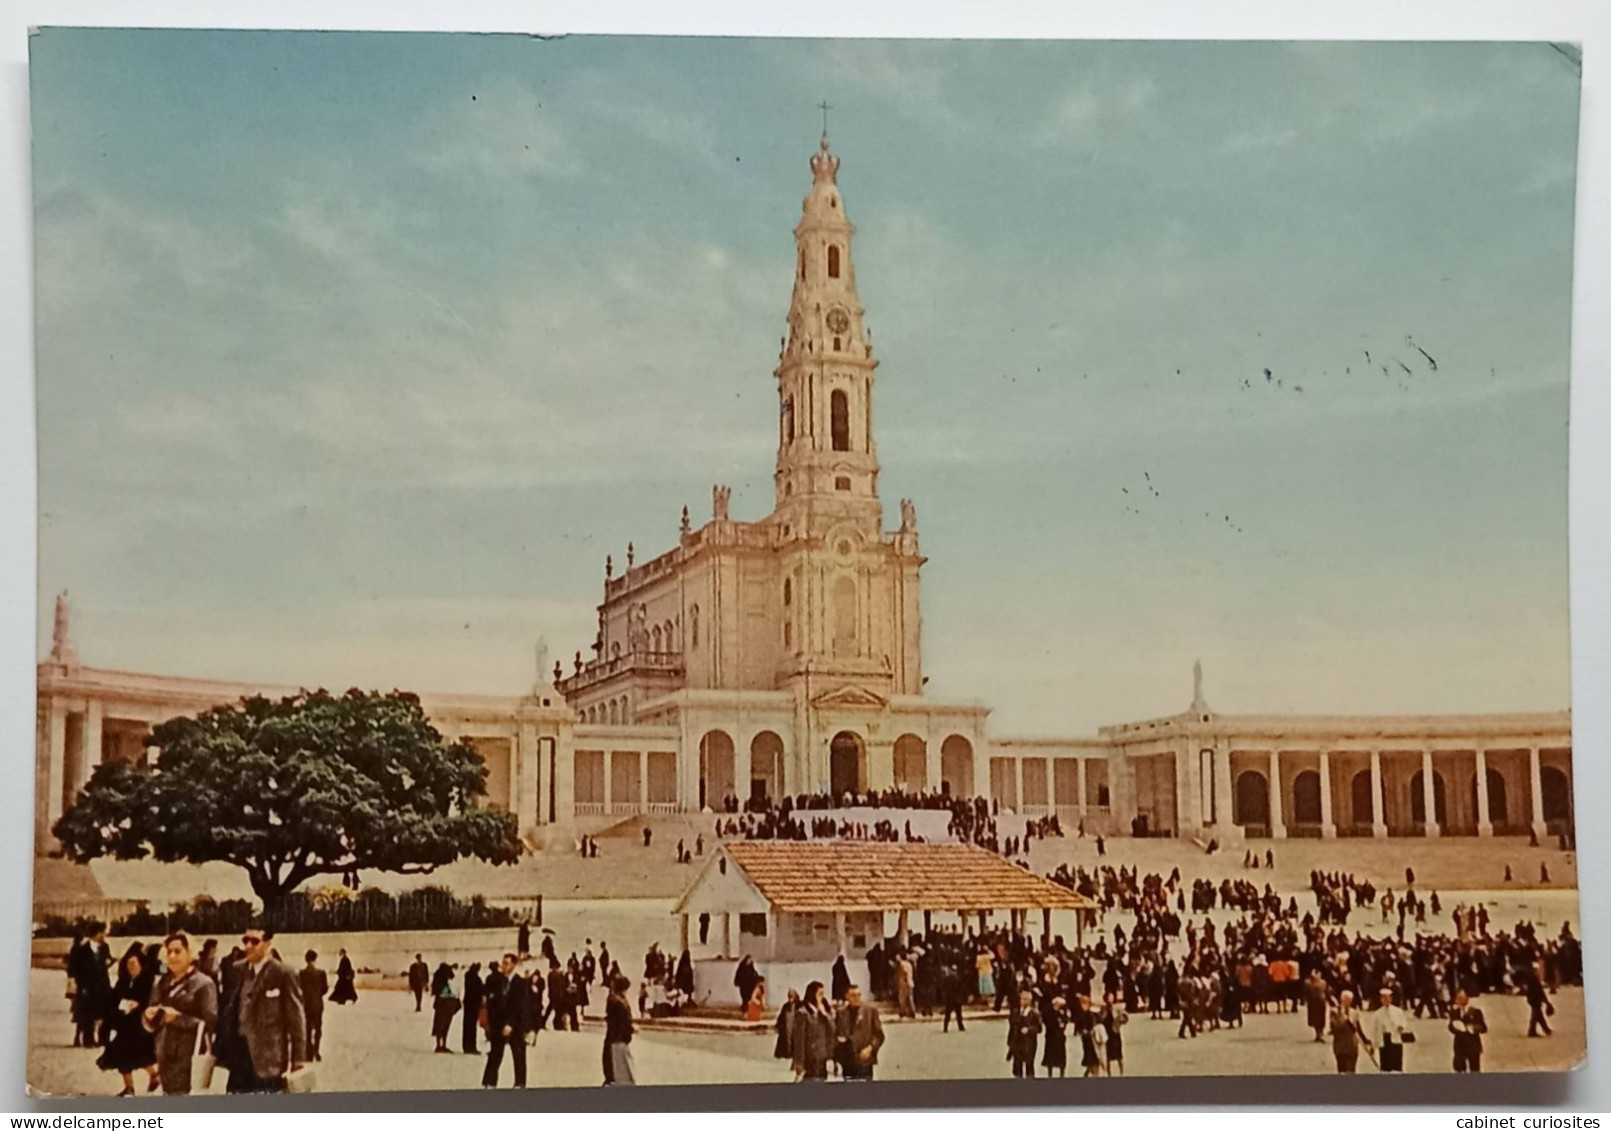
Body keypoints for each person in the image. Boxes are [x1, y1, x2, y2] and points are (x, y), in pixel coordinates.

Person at [231, 926, 308, 1093]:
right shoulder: (237, 970)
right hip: (240, 1055)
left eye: (255, 941)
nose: (248, 946)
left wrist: (298, 1059)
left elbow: (296, 1019)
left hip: (268, 1058)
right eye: (245, 941)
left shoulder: (283, 973)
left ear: (268, 944)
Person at [143, 932, 218, 1097]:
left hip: (190, 1057)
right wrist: (148, 1016)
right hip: (164, 1054)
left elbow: (210, 1024)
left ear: (190, 953)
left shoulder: (204, 984)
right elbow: (152, 1023)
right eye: (169, 952)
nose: (172, 956)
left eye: (178, 951)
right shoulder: (162, 982)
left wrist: (178, 1019)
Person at [98, 947, 158, 1095]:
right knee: (122, 1056)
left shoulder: (148, 980)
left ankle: (152, 1076)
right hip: (124, 1025)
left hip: (140, 1026)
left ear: (140, 964)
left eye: (133, 963)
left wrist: (139, 1004)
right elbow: (113, 999)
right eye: (128, 964)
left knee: (139, 1056)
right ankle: (130, 1087)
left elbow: (153, 1001)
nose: (130, 967)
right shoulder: (123, 981)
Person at [482, 954, 533, 1089]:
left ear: (513, 965)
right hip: (499, 1023)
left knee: (518, 1055)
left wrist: (511, 1023)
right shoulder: (498, 981)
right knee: (495, 1053)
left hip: (515, 1024)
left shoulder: (520, 983)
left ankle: (520, 1082)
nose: (503, 966)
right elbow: (492, 1003)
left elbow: (520, 1006)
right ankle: (490, 1081)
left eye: (506, 963)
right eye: (502, 963)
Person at [834, 984, 884, 1081]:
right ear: (847, 997)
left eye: (859, 995)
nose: (857, 998)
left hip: (865, 1058)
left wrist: (870, 1048)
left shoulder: (870, 1011)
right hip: (848, 1060)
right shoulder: (841, 1013)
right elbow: (836, 1034)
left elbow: (879, 1035)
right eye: (853, 995)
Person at [790, 981, 836, 1081]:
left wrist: (824, 1014)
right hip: (810, 1056)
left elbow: (833, 1030)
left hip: (823, 1055)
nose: (822, 998)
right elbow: (799, 1039)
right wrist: (799, 1061)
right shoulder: (802, 1013)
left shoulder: (825, 1012)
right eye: (819, 994)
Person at [1366, 986, 1411, 1073]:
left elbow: (1404, 1023)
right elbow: (1374, 1030)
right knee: (1385, 1064)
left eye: (1387, 998)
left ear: (1391, 999)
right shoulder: (1377, 1014)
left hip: (1395, 1039)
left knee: (1396, 1064)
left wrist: (1401, 1026)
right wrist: (1373, 1045)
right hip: (1384, 1040)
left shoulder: (1397, 1011)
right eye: (1383, 998)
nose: (1385, 1000)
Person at [603, 974, 636, 1085]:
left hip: (614, 1039)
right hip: (618, 1040)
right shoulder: (619, 1002)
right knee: (621, 1075)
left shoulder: (615, 1000)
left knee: (616, 1074)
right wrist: (630, 1030)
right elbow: (623, 1022)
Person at [297, 951, 328, 1062]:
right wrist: (317, 995)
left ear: (306, 960)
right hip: (318, 1005)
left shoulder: (301, 974)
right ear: (315, 959)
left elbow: (299, 989)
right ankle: (316, 1051)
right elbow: (325, 989)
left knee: (308, 1029)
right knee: (318, 1029)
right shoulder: (321, 973)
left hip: (306, 1005)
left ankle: (309, 1053)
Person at [1449, 990, 1488, 1073]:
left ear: (1467, 999)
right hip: (1460, 1045)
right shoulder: (1454, 1012)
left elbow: (1484, 1028)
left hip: (1473, 1045)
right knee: (1459, 1067)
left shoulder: (1476, 1012)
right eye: (1458, 998)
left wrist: (1473, 1028)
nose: (1459, 1000)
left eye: (1461, 998)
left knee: (1474, 1069)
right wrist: (1455, 1027)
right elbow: (1450, 1026)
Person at [1329, 991, 1368, 1074]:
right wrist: (1343, 1017)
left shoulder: (1354, 1012)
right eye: (1345, 1000)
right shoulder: (1335, 1012)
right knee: (1342, 1070)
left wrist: (1366, 1041)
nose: (1347, 1002)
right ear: (1341, 1000)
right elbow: (1335, 1028)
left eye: (1349, 1000)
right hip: (1340, 1047)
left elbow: (1358, 1029)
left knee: (1351, 1070)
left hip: (1352, 1046)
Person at [1006, 990, 1041, 1078]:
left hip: (1029, 1043)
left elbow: (1039, 1028)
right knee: (1017, 1065)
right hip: (1017, 1042)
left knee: (1029, 1064)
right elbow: (1012, 1027)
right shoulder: (1015, 1012)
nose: (1023, 1001)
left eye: (1026, 999)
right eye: (1022, 999)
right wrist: (1010, 1042)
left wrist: (1029, 1030)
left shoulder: (1034, 1014)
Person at [431, 963, 460, 1052]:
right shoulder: (444, 982)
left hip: (439, 1004)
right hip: (446, 1005)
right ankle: (443, 1045)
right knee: (445, 1025)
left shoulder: (437, 979)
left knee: (439, 1024)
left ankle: (438, 1045)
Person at [1040, 995, 1068, 1078]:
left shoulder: (1062, 1012)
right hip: (1051, 1037)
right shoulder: (1048, 1012)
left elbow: (1065, 1021)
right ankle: (1050, 1074)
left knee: (1061, 1057)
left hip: (1060, 1038)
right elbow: (1047, 1023)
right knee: (1050, 1057)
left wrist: (1063, 1025)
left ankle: (1062, 1074)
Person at [1102, 992, 1127, 1076]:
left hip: (1115, 1032)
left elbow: (1125, 1017)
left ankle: (1121, 1072)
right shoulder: (1104, 1009)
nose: (1111, 999)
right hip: (1107, 1033)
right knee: (1108, 1055)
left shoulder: (1117, 1008)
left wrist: (1121, 1020)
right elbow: (1101, 1019)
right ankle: (1109, 1073)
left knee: (1119, 1054)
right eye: (1109, 997)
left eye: (1112, 997)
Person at [462, 963, 484, 1054]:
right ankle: (471, 1046)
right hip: (474, 1004)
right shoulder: (476, 979)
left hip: (468, 1003)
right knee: (472, 1027)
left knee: (467, 1025)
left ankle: (466, 1046)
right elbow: (480, 990)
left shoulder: (468, 977)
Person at [1303, 969, 1329, 1043]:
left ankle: (1320, 1033)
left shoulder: (1323, 983)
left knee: (1321, 1018)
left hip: (1321, 1003)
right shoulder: (1308, 983)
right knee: (1314, 1019)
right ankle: (1318, 1034)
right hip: (1312, 1003)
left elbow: (1326, 992)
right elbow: (1306, 993)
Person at [774, 989, 800, 1061]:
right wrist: (778, 1026)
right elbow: (781, 1017)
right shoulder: (786, 1006)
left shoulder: (799, 1005)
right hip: (787, 1026)